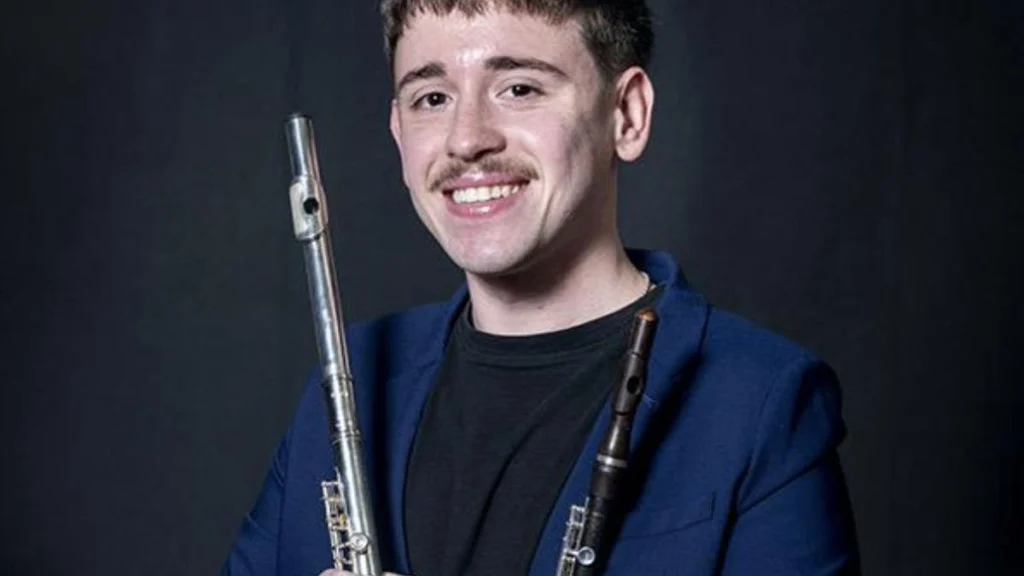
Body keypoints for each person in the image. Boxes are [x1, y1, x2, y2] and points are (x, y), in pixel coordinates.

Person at [220, 1, 860, 575]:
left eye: (519, 88)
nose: (466, 139)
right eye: (432, 98)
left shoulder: (761, 402)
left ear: (627, 115)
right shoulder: (350, 380)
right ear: (398, 133)